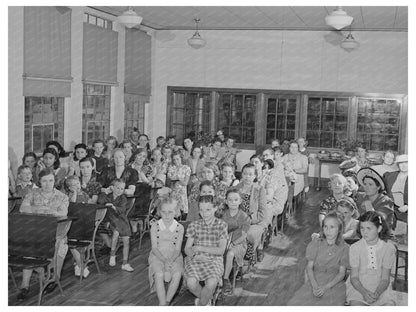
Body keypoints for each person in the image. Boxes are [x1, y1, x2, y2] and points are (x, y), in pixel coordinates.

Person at [17, 168, 69, 300]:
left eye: (51, 180)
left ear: (54, 181)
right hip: (36, 231)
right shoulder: (32, 193)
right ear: (39, 182)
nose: (48, 184)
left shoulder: (62, 196)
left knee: (61, 245)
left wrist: (40, 210)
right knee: (28, 245)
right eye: (44, 181)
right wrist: (42, 209)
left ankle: (54, 278)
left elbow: (62, 213)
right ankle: (25, 286)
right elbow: (23, 208)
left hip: (56, 233)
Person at [288, 212, 349, 306]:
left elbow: (341, 273)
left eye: (332, 227)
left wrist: (325, 287)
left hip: (334, 283)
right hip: (315, 280)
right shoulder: (316, 244)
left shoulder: (345, 248)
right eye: (325, 227)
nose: (328, 230)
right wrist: (314, 286)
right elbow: (309, 267)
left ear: (339, 229)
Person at [184, 195, 229, 306]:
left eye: (208, 209)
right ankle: (206, 300)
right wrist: (195, 256)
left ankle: (201, 304)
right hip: (196, 258)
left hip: (213, 259)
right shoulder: (194, 225)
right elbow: (187, 249)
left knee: (211, 282)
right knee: (191, 283)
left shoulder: (222, 225)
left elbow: (221, 251)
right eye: (202, 210)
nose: (205, 213)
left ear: (215, 208)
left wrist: (199, 248)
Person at [346, 211, 396, 306]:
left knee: (389, 305)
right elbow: (354, 277)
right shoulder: (355, 248)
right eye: (362, 228)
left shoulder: (388, 249)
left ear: (379, 228)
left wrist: (377, 294)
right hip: (359, 286)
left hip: (381, 286)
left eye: (369, 228)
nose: (365, 232)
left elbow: (385, 279)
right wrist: (364, 292)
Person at [148, 198, 184, 305]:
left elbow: (177, 249)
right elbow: (154, 248)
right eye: (164, 212)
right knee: (159, 274)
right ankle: (162, 303)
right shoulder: (155, 226)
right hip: (157, 255)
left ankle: (167, 301)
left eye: (170, 212)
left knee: (177, 274)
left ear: (176, 212)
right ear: (159, 212)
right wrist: (164, 261)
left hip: (174, 256)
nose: (167, 215)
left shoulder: (179, 228)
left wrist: (170, 261)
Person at [97, 179, 134, 272]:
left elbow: (122, 209)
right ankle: (112, 254)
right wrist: (105, 192)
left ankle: (125, 263)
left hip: (122, 220)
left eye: (122, 189)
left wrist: (113, 206)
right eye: (117, 188)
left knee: (126, 240)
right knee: (116, 233)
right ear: (112, 187)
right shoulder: (107, 196)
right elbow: (100, 202)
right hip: (110, 220)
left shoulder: (123, 198)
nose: (119, 191)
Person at [234, 163, 267, 262]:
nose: (247, 177)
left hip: (254, 221)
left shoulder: (260, 189)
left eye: (250, 174)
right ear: (242, 175)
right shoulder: (236, 188)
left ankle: (246, 259)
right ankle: (233, 258)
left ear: (255, 176)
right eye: (245, 174)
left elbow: (262, 212)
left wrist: (249, 220)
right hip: (237, 220)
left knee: (247, 234)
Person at [221, 189, 250, 294]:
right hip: (225, 241)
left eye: (236, 199)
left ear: (240, 201)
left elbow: (244, 236)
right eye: (230, 200)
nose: (233, 202)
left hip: (238, 243)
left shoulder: (244, 216)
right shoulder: (224, 215)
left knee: (230, 253)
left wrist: (232, 244)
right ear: (226, 201)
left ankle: (225, 279)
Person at [383, 154, 408, 230]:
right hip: (390, 207)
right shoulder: (389, 175)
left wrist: (408, 206)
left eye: (406, 163)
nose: (403, 165)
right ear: (397, 165)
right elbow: (378, 186)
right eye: (401, 163)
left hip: (404, 209)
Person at [167, 151, 191, 219]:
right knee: (173, 210)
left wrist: (178, 179)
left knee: (182, 210)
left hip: (182, 192)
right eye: (174, 159)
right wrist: (178, 179)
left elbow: (185, 183)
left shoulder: (186, 168)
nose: (176, 161)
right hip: (173, 191)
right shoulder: (171, 168)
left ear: (181, 158)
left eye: (177, 159)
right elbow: (169, 179)